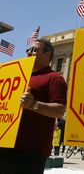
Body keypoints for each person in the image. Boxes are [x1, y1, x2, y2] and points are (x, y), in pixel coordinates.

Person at [0, 38, 67, 174]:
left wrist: (33, 105)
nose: (30, 52)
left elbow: (60, 110)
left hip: (30, 151)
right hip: (4, 145)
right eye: (28, 50)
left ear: (47, 55)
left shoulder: (54, 78)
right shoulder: (18, 75)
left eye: (35, 50)